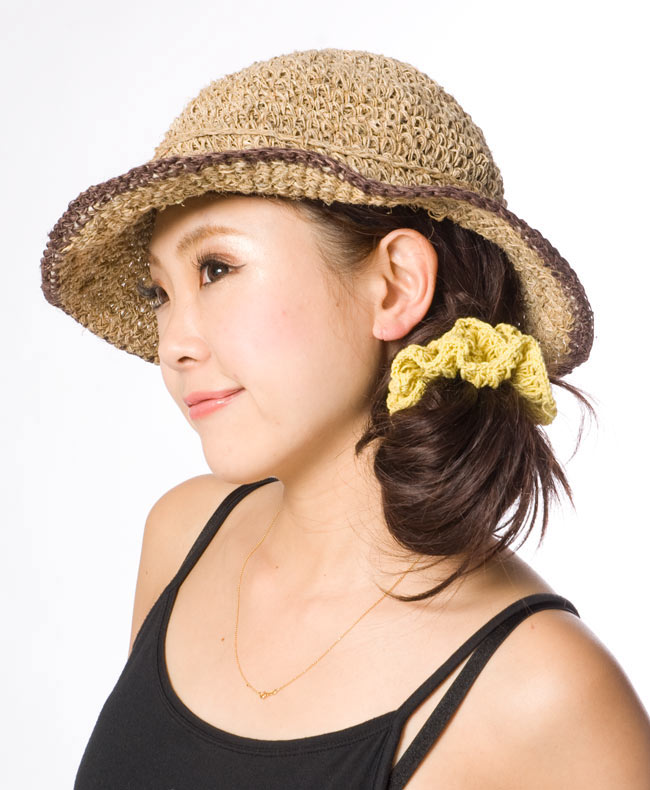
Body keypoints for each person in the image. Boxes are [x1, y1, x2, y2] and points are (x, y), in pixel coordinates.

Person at [41, 48, 650, 789]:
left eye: (216, 269)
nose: (174, 345)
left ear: (395, 285)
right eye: (159, 293)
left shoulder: (544, 692)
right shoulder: (183, 537)